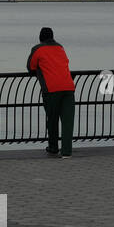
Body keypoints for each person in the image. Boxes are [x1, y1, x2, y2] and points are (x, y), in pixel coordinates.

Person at [27, 27, 75, 157]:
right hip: (69, 87)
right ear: (53, 37)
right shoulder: (60, 47)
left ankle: (53, 147)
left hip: (52, 89)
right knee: (67, 121)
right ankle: (66, 152)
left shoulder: (37, 49)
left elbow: (30, 67)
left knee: (52, 119)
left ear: (40, 38)